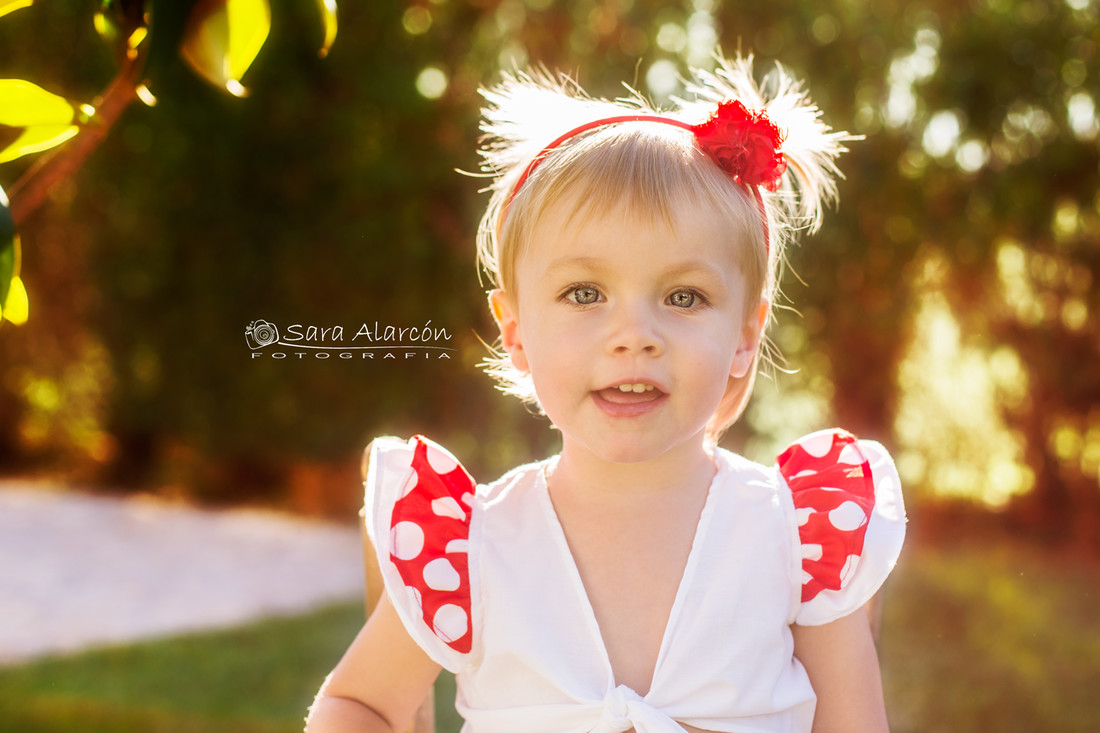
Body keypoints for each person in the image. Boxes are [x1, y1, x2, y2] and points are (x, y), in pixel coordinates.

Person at [305, 51, 906, 733]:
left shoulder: (790, 535)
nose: (633, 335)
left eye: (684, 296)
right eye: (584, 293)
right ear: (516, 330)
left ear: (745, 333)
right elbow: (358, 703)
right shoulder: (477, 544)